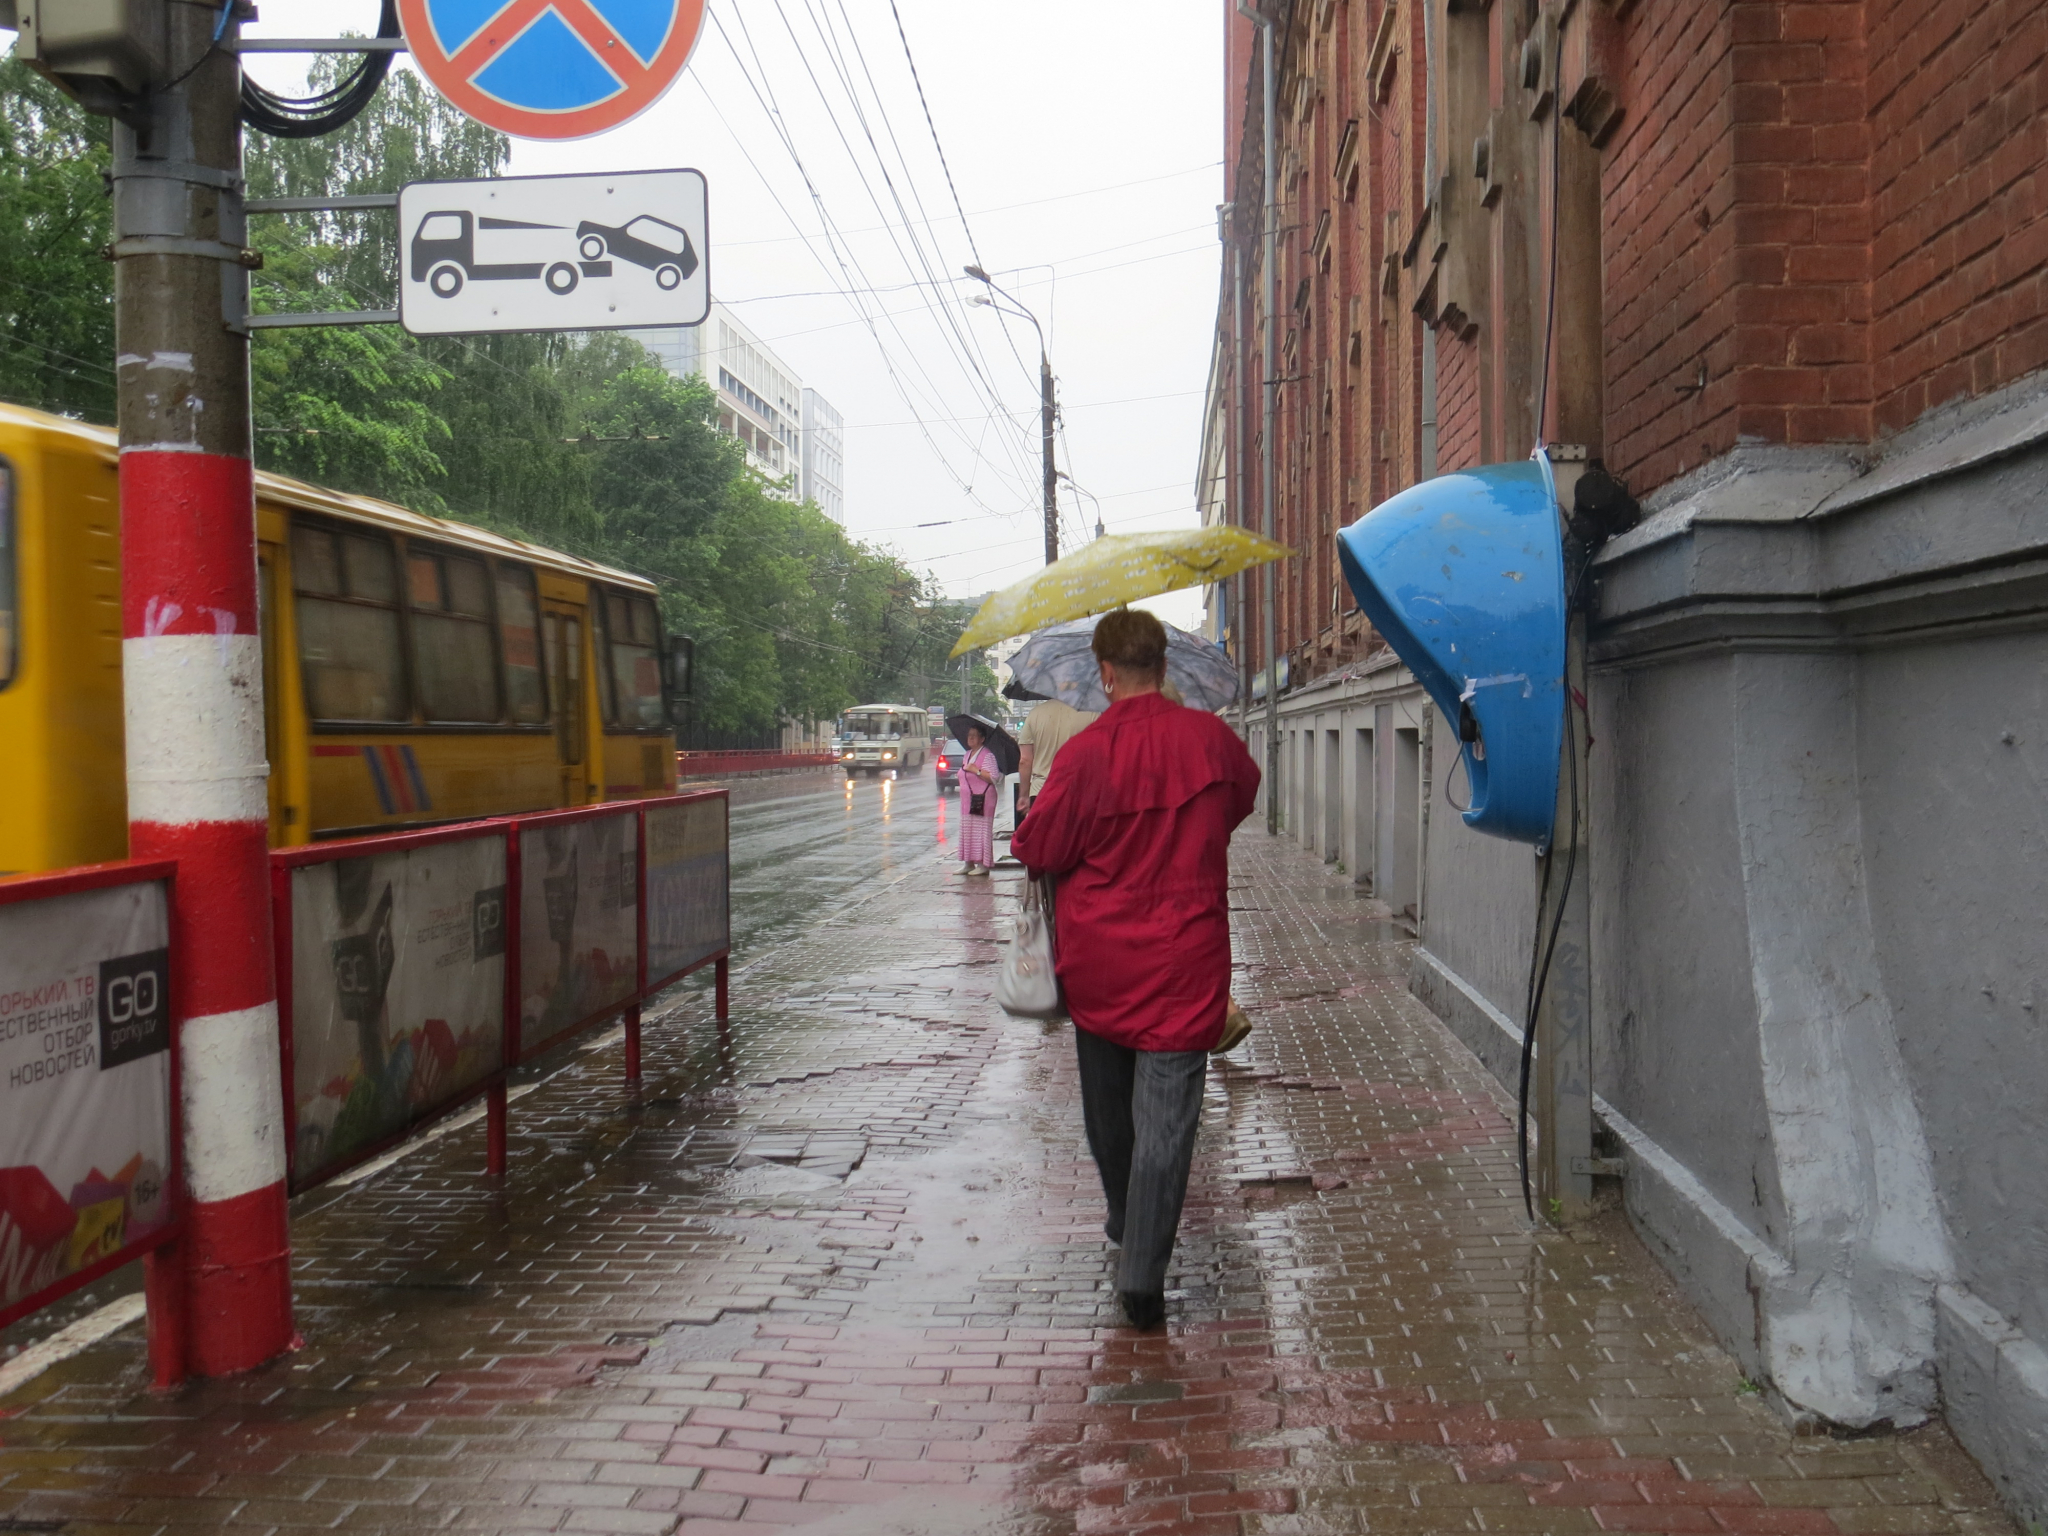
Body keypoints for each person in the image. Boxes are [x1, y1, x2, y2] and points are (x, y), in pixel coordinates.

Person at [1010, 609, 1260, 1331]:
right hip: (1186, 960)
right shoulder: (1211, 741)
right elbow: (1239, 800)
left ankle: (1129, 1225)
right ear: (1166, 666)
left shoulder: (1088, 756)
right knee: (1168, 1125)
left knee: (1108, 1118)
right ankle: (1142, 1274)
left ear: (1106, 672)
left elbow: (1039, 848)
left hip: (1100, 964)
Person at [1015, 697, 1099, 825]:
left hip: (1041, 792)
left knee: (1044, 841)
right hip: (1080, 792)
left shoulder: (1035, 714)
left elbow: (1025, 760)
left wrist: (1024, 795)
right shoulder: (1093, 713)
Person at [957, 724, 1000, 876]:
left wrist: (976, 770)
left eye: (975, 735)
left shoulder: (987, 755)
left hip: (983, 799)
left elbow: (993, 777)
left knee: (982, 830)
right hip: (967, 800)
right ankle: (968, 863)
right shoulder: (967, 754)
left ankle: (983, 864)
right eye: (969, 735)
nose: (971, 738)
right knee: (968, 830)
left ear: (982, 739)